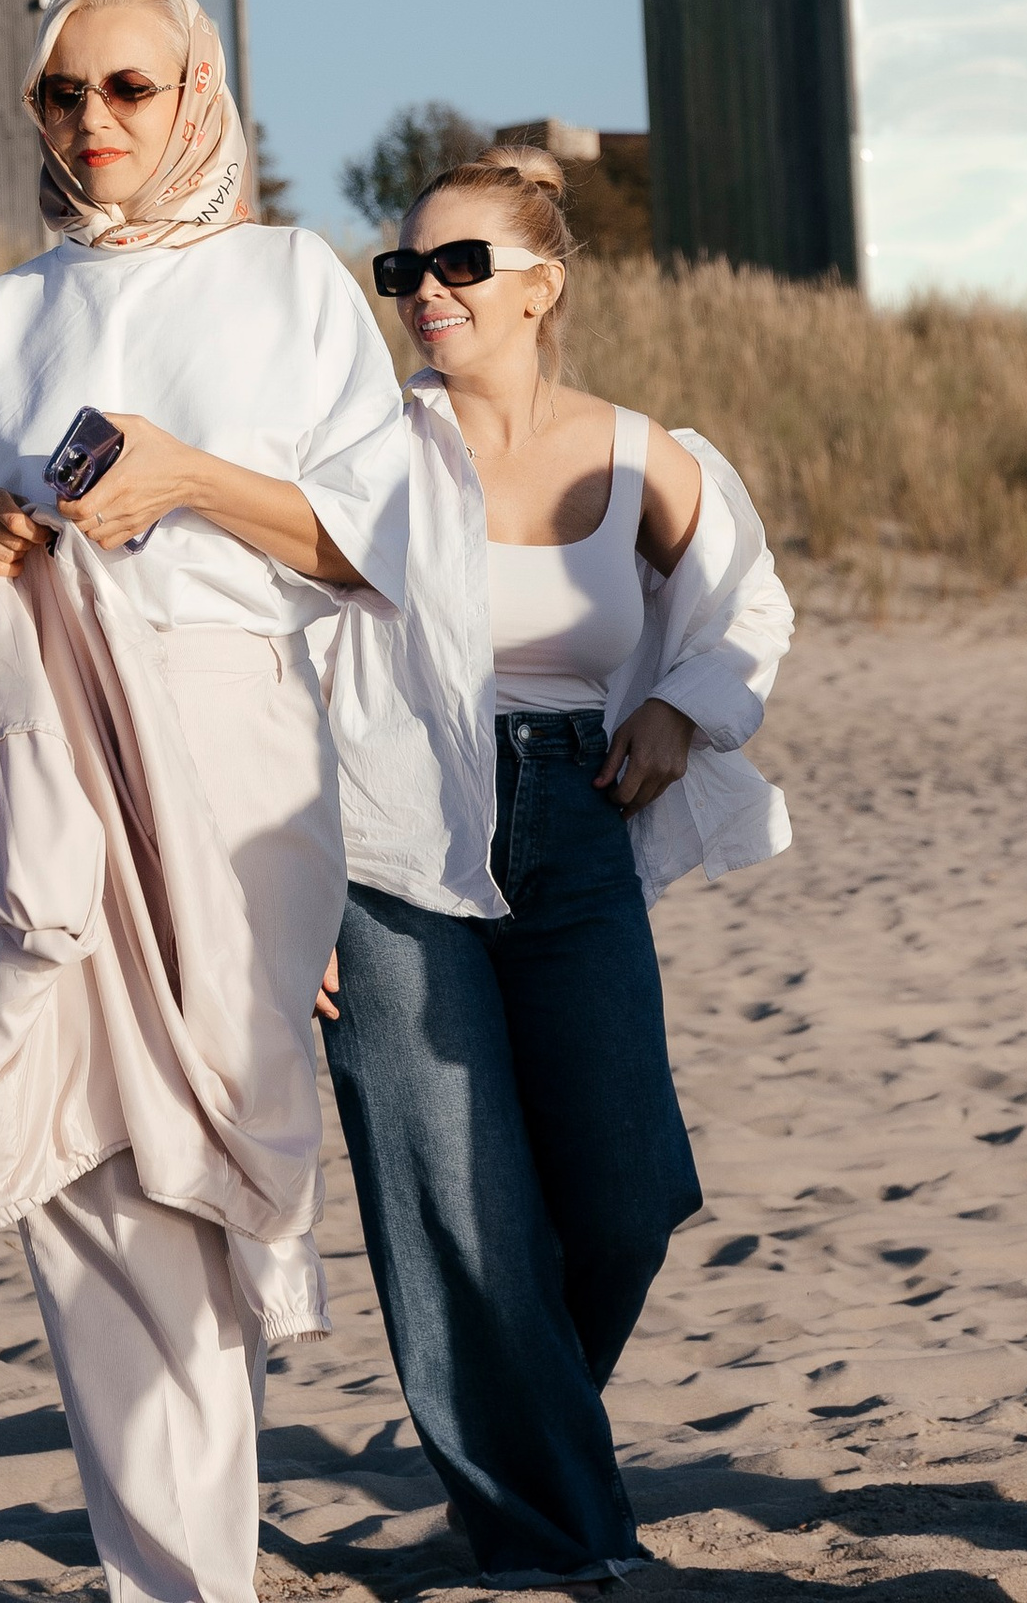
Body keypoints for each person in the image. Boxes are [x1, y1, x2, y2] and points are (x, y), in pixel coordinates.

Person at [0, 0, 411, 1603]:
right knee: (82, 1162)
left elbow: (377, 548)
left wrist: (186, 480)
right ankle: (174, 1581)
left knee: (211, 1155)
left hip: (238, 760)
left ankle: (204, 1558)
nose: (93, 122)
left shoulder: (292, 280)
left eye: (129, 89)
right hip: (49, 753)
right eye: (62, 93)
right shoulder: (8, 311)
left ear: (201, 97)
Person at [322, 144, 794, 1592]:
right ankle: (561, 1545)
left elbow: (746, 613)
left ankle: (520, 1450)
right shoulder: (354, 450)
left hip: (571, 817)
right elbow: (263, 656)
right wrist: (277, 898)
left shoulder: (645, 453)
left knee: (625, 1192)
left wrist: (679, 707)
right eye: (403, 269)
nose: (425, 293)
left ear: (544, 286)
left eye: (460, 265)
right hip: (384, 834)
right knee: (454, 1200)